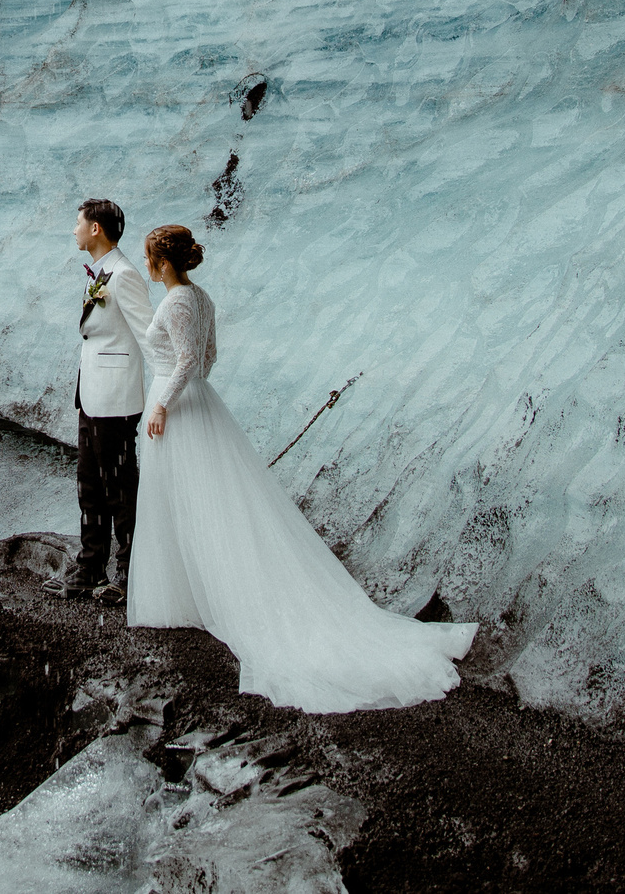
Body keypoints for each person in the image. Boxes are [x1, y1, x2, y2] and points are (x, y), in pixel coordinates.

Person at [127, 223, 477, 712]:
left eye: (148, 259)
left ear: (163, 262)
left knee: (188, 502)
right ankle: (195, 593)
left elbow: (187, 358)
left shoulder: (177, 301)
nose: (146, 267)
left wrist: (162, 404)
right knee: (198, 501)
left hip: (179, 410)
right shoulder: (202, 298)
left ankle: (190, 598)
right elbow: (209, 358)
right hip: (198, 404)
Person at [55, 197, 149, 602]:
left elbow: (149, 335)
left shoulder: (124, 275)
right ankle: (91, 565)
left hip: (117, 399)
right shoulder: (101, 271)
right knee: (89, 485)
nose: (74, 229)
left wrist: (162, 394)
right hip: (90, 395)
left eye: (78, 222)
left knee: (120, 489)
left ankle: (130, 574)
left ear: (96, 228)